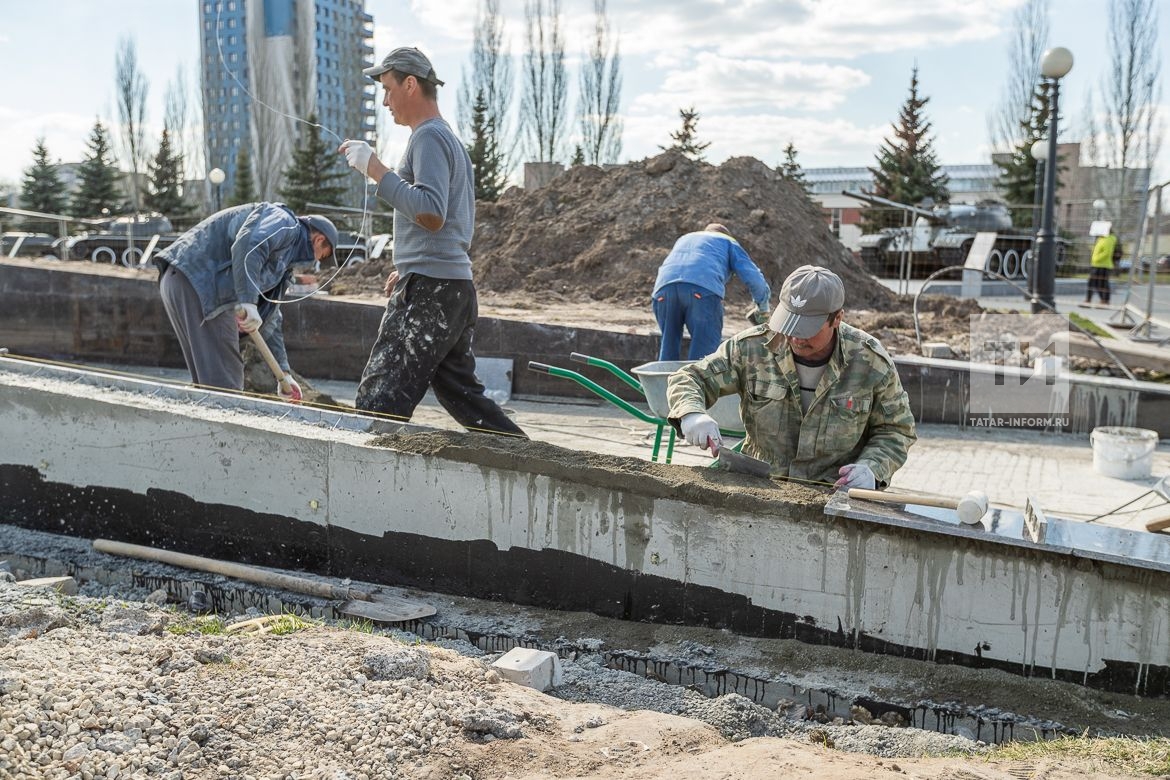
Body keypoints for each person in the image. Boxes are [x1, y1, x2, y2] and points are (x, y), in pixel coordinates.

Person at [336, 46, 525, 437]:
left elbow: (431, 212)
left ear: (410, 84)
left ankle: (362, 475)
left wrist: (375, 169)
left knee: (378, 403)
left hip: (432, 292)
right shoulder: (444, 138)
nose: (385, 102)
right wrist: (410, 265)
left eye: (387, 89)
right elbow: (446, 221)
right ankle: (530, 458)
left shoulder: (428, 137)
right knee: (464, 397)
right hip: (449, 287)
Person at [666, 264, 916, 490]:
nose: (795, 337)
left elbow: (896, 429)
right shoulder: (753, 348)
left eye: (807, 329)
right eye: (789, 323)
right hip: (760, 488)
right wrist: (692, 413)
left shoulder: (869, 361)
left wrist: (872, 468)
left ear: (837, 318)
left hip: (831, 494)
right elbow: (690, 378)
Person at [153, 202, 337, 397]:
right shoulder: (284, 221)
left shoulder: (284, 263)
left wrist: (284, 374)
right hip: (201, 282)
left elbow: (272, 319)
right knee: (225, 388)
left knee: (208, 387)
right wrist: (248, 301)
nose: (316, 261)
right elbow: (249, 245)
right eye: (321, 255)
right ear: (319, 240)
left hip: (183, 280)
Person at [651, 223, 771, 361]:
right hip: (702, 291)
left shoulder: (684, 239)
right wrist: (763, 308)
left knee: (668, 347)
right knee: (703, 356)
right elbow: (754, 278)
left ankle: (663, 374)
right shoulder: (728, 242)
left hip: (662, 292)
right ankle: (697, 375)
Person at [1086, 228, 1119, 305]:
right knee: (1094, 283)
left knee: (1102, 283)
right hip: (1096, 264)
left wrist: (1096, 258)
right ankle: (1090, 299)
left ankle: (1105, 300)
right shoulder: (1101, 238)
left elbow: (1107, 252)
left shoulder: (1109, 239)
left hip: (1103, 265)